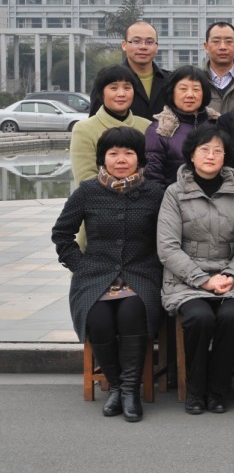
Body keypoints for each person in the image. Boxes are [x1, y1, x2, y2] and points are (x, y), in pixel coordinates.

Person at [52, 127, 166, 422]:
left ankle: (130, 391)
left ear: (139, 158)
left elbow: (168, 238)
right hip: (95, 275)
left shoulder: (155, 193)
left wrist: (158, 268)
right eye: (113, 153)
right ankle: (116, 386)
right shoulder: (87, 192)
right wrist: (80, 266)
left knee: (132, 312)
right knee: (98, 317)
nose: (121, 159)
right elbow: (62, 234)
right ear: (103, 158)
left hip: (141, 274)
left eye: (128, 153)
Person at [156, 126, 234, 414]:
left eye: (217, 151)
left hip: (230, 278)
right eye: (204, 150)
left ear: (225, 156)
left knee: (233, 317)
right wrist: (203, 281)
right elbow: (168, 248)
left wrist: (232, 274)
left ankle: (217, 389)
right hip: (186, 280)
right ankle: (195, 389)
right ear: (191, 155)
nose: (211, 156)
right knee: (200, 318)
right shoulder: (174, 193)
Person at [73, 65, 152, 185]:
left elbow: (153, 171)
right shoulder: (83, 129)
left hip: (144, 195)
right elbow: (85, 177)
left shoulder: (147, 126)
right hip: (97, 196)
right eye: (113, 88)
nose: (121, 94)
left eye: (127, 88)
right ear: (101, 93)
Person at [144, 66, 220, 186]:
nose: (190, 95)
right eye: (183, 89)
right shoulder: (160, 129)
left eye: (196, 89)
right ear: (172, 91)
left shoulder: (217, 124)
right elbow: (153, 177)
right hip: (173, 196)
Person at [202, 21, 234, 114]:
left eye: (229, 41)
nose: (223, 47)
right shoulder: (197, 82)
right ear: (206, 46)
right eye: (216, 41)